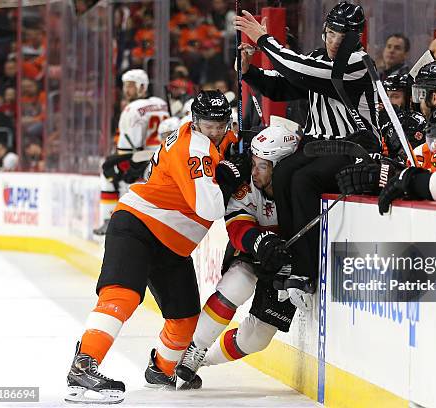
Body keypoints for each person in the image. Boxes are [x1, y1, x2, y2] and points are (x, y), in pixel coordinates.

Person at [65, 90, 245, 404]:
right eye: (208, 124)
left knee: (186, 319)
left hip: (172, 245)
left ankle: (161, 369)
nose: (215, 130)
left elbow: (229, 141)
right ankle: (83, 365)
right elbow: (210, 207)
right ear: (195, 121)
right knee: (122, 294)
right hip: (138, 225)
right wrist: (229, 180)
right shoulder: (194, 148)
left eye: (220, 124)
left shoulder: (215, 137)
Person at [235, 1, 380, 311]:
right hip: (319, 144)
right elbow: (282, 87)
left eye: (341, 36)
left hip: (355, 146)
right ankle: (290, 257)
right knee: (284, 172)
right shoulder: (317, 60)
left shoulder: (356, 64)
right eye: (329, 33)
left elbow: (298, 70)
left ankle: (306, 270)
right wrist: (250, 73)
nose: (332, 41)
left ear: (356, 39)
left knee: (304, 179)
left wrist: (264, 40)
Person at [175, 125, 298, 383]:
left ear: (281, 165)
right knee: (237, 284)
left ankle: (205, 361)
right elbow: (237, 226)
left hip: (288, 262)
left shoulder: (302, 187)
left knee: (256, 339)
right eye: (253, 163)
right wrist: (261, 242)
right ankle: (196, 348)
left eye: (262, 166)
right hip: (253, 252)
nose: (253, 172)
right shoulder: (246, 187)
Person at [94, 69, 170, 235]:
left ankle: (108, 220)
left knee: (107, 172)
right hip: (164, 156)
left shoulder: (132, 109)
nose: (126, 90)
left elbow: (127, 149)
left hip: (142, 159)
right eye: (125, 86)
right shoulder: (161, 103)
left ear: (142, 87)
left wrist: (117, 165)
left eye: (130, 86)